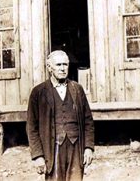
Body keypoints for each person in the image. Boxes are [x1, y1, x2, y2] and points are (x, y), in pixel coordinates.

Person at [26, 50, 94, 180]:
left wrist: (88, 147)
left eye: (65, 65)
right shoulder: (38, 92)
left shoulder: (77, 89)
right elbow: (31, 127)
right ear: (49, 68)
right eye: (58, 65)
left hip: (76, 148)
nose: (63, 69)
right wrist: (38, 156)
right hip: (53, 148)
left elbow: (88, 121)